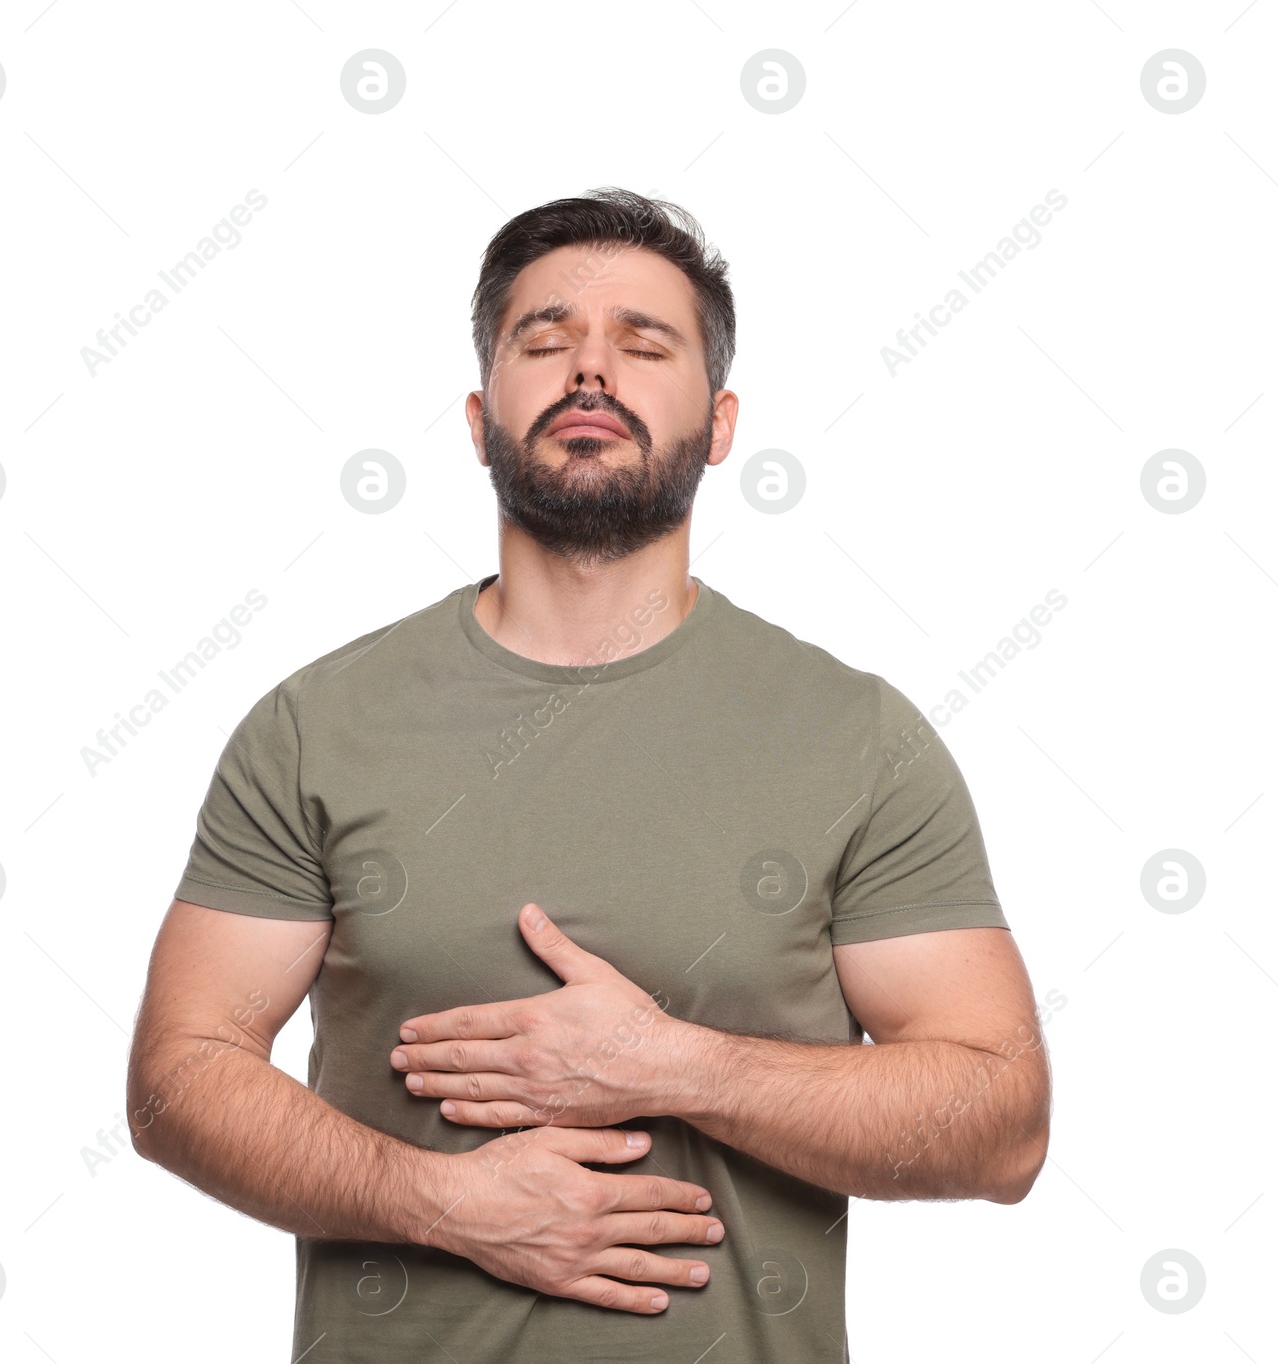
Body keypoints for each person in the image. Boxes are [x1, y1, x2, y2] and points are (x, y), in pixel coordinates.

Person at [127, 186, 1052, 1362]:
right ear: (479, 414)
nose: (589, 371)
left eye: (642, 343)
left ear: (719, 422)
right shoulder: (317, 725)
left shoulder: (855, 737)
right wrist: (442, 1201)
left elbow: (1000, 1126)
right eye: (546, 340)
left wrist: (672, 1064)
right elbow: (177, 1074)